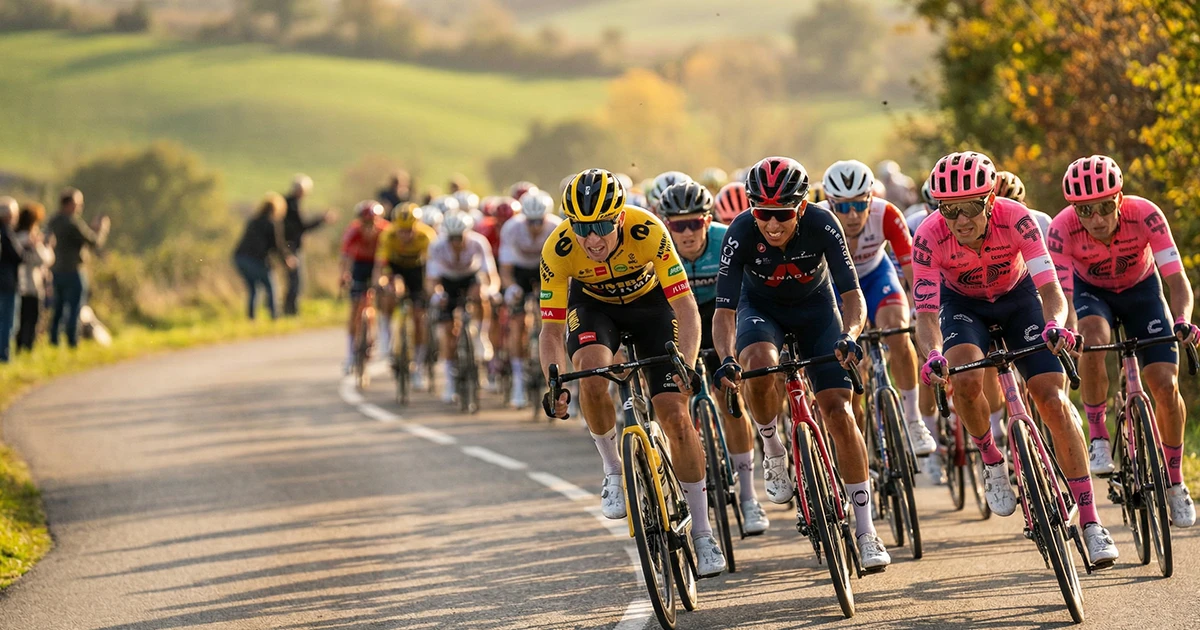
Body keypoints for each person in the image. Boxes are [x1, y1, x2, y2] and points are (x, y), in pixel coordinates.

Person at [914, 151, 1119, 565]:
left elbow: (1052, 291)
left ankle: (1092, 521)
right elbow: (925, 315)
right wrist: (933, 353)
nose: (960, 220)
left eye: (970, 207)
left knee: (1053, 401)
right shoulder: (928, 235)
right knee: (967, 381)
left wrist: (1056, 325)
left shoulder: (1017, 218)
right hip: (962, 306)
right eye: (949, 210)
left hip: (1019, 298)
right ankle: (991, 458)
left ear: (990, 201)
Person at [540, 169, 726, 577]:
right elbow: (551, 330)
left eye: (603, 226)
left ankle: (703, 533)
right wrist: (553, 379)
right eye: (583, 227)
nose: (592, 239)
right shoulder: (558, 248)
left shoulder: (648, 229)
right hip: (594, 309)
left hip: (652, 308)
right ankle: (612, 469)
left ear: (621, 217)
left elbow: (685, 308)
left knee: (675, 415)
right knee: (589, 373)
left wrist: (688, 365)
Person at [713, 156, 891, 569]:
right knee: (756, 363)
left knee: (840, 412)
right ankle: (773, 449)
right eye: (762, 214)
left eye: (782, 215)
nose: (772, 226)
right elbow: (724, 312)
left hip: (817, 309)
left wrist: (850, 335)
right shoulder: (740, 232)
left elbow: (851, 295)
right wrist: (725, 359)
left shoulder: (823, 223)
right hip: (761, 310)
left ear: (801, 207)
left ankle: (865, 531)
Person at [1047, 155, 1196, 527]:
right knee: (1093, 339)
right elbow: (1061, 294)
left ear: (1120, 199)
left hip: (1142, 291)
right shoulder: (1062, 229)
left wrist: (1182, 320)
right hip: (1090, 293)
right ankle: (1097, 433)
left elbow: (1176, 280)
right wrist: (1065, 329)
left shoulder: (1146, 214)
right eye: (1085, 211)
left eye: (1104, 207)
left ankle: (1176, 481)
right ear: (1073, 210)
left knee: (1165, 384)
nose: (1096, 219)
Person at [658, 180, 769, 535]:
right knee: (675, 398)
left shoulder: (726, 240)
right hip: (678, 318)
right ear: (667, 226)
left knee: (729, 396)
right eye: (678, 225)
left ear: (708, 221)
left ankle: (750, 497)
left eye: (694, 223)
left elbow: (754, 288)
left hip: (724, 314)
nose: (687, 233)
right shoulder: (657, 247)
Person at [819, 160, 937, 459]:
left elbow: (913, 270)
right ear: (830, 202)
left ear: (871, 197)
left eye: (860, 204)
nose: (853, 214)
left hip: (876, 276)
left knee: (897, 331)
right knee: (847, 361)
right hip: (836, 286)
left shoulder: (886, 213)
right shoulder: (818, 218)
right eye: (842, 207)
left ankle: (912, 419)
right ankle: (858, 446)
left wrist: (920, 309)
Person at [427, 211, 500, 404]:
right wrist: (436, 294)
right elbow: (431, 279)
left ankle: (480, 336)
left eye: (459, 237)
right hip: (448, 282)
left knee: (481, 293)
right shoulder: (437, 246)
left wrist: (491, 290)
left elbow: (491, 275)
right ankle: (450, 382)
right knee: (447, 334)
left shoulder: (478, 242)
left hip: (470, 279)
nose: (456, 242)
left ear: (467, 233)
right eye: (452, 238)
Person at [498, 190, 562, 407]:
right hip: (520, 272)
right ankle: (518, 381)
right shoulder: (512, 228)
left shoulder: (556, 227)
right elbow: (505, 269)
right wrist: (511, 287)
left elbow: (564, 267)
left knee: (557, 324)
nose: (535, 226)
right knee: (517, 324)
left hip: (546, 270)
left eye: (539, 221)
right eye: (530, 221)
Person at [375, 202, 438, 390]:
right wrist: (380, 282)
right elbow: (380, 266)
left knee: (420, 319)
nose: (405, 235)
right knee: (389, 292)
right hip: (396, 269)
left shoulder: (427, 235)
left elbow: (432, 269)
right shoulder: (388, 234)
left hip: (418, 271)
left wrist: (430, 289)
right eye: (402, 230)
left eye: (409, 230)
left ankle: (417, 366)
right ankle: (385, 337)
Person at [47, 188, 109, 349]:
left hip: (56, 270)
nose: (80, 207)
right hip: (73, 270)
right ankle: (72, 342)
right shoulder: (72, 222)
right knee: (75, 308)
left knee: (58, 309)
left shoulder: (53, 221)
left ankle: (53, 341)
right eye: (78, 204)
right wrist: (101, 229)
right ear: (69, 204)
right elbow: (93, 242)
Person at [339, 201, 389, 372]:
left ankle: (376, 338)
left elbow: (388, 258)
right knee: (355, 308)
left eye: (372, 222)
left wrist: (382, 278)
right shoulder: (353, 231)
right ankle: (351, 354)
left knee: (380, 299)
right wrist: (344, 275)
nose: (369, 227)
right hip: (360, 265)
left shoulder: (385, 231)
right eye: (365, 222)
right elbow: (345, 256)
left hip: (380, 264)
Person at [233, 193, 296, 320]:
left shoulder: (253, 221)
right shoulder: (272, 223)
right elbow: (278, 246)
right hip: (254, 260)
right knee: (271, 286)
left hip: (240, 258)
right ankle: (275, 317)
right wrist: (286, 260)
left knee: (253, 289)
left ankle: (251, 319)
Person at [282, 174, 335, 317]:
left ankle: (289, 311)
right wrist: (322, 219)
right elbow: (302, 226)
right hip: (291, 247)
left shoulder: (288, 202)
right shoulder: (291, 205)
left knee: (295, 281)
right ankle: (291, 312)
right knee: (296, 281)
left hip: (290, 246)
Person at [14, 202, 53, 353]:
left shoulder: (15, 237)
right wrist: (46, 246)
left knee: (20, 320)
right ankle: (27, 349)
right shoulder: (30, 240)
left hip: (20, 285)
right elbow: (45, 259)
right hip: (32, 285)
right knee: (31, 320)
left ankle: (19, 348)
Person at [0, 197, 23, 361]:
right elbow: (18, 256)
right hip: (7, 282)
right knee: (7, 322)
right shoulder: (7, 233)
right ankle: (4, 356)